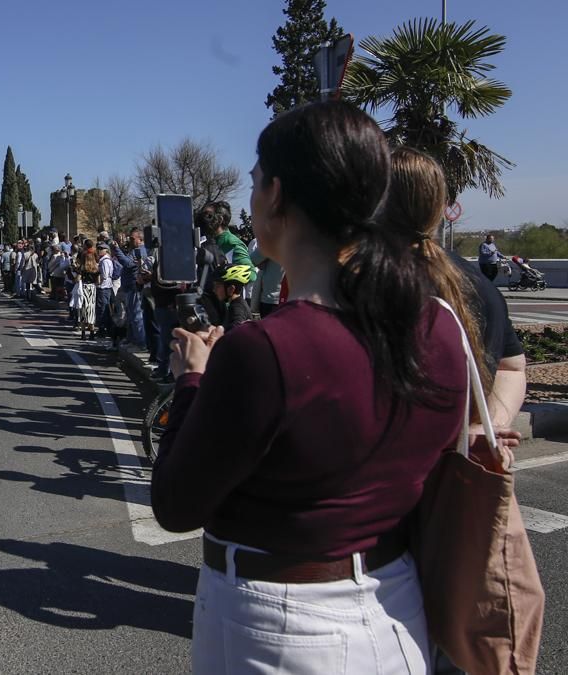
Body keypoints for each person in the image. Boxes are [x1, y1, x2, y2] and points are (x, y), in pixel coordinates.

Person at [151, 100, 520, 674]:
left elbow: (175, 504)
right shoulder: (442, 325)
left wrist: (193, 379)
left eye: (254, 182)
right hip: (400, 609)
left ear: (276, 195)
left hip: (278, 628)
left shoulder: (264, 351)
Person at [387, 146, 527, 434]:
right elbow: (511, 367)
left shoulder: (364, 281)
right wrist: (489, 427)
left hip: (389, 469)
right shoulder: (479, 284)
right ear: (439, 206)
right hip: (458, 465)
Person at [198, 201, 257, 284]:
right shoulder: (205, 240)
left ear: (220, 220)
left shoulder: (231, 243)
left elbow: (251, 274)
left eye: (208, 216)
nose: (203, 219)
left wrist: (224, 273)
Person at [211, 264, 253, 330]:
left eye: (217, 285)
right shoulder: (236, 303)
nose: (214, 290)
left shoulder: (237, 308)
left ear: (231, 289)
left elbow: (236, 332)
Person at [74, 242, 99, 338]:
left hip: (84, 288)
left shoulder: (83, 268)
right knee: (91, 310)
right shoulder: (96, 269)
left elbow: (77, 279)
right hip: (92, 288)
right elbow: (98, 282)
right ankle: (92, 333)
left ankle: (83, 333)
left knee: (83, 310)